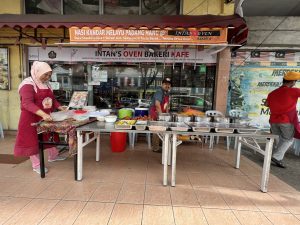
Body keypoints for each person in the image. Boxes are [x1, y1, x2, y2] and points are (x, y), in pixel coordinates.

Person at [14, 61, 67, 174]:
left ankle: (53, 156)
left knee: (49, 136)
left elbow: (52, 100)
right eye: (45, 74)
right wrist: (43, 114)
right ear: (38, 72)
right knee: (32, 141)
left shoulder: (47, 84)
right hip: (30, 118)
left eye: (49, 75)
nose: (47, 77)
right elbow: (26, 103)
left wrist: (60, 107)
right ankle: (36, 165)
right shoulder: (27, 84)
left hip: (45, 117)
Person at [266, 71, 300, 168]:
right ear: (292, 82)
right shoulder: (294, 91)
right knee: (288, 140)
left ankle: (276, 157)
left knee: (279, 138)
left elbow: (266, 104)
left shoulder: (272, 93)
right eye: (295, 81)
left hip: (273, 120)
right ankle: (276, 157)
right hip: (286, 120)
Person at [149, 77, 171, 152]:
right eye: (165, 84)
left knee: (162, 129)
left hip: (161, 114)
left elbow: (166, 105)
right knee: (156, 130)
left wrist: (167, 114)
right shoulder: (159, 92)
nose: (167, 86)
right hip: (155, 113)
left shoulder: (166, 93)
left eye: (169, 84)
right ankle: (155, 148)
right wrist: (162, 116)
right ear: (162, 84)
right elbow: (157, 105)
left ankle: (161, 144)